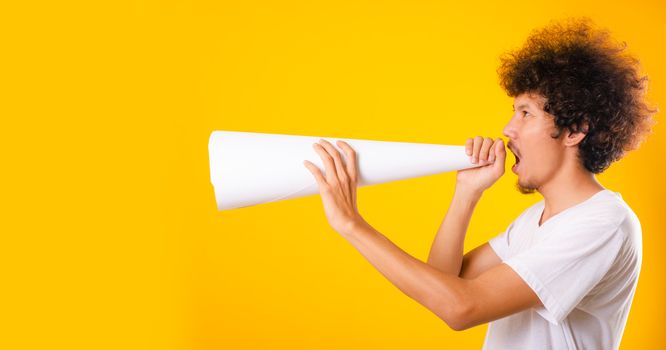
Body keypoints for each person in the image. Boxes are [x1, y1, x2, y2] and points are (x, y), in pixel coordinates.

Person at [303, 17, 656, 349]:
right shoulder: (535, 220)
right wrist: (466, 193)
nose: (508, 129)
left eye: (526, 113)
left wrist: (351, 224)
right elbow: (442, 281)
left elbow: (461, 308)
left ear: (575, 130)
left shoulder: (604, 224)